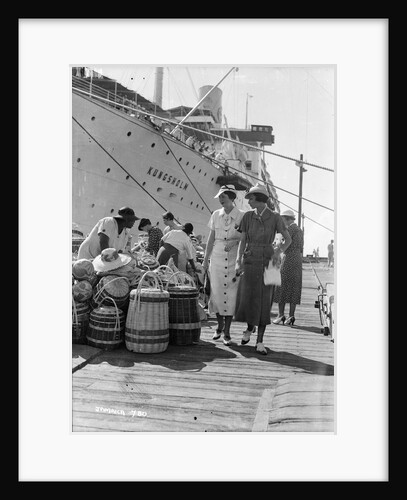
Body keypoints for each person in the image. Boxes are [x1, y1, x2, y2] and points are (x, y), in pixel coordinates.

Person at [234, 183, 292, 355]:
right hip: (250, 258)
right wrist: (238, 261)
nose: (248, 202)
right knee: (249, 297)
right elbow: (242, 241)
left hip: (268, 261)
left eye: (250, 198)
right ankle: (249, 328)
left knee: (264, 301)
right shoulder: (247, 216)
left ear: (258, 199)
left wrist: (277, 252)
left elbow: (287, 239)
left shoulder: (275, 217)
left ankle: (260, 341)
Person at [201, 185, 245, 345]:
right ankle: (219, 327)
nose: (220, 200)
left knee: (231, 295)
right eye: (219, 197)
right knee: (217, 293)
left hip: (234, 257)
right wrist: (205, 260)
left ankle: (227, 331)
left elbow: (245, 238)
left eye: (223, 197)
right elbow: (211, 239)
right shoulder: (215, 215)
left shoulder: (241, 216)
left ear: (231, 198)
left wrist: (234, 242)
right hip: (218, 256)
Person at [272, 209, 304, 326]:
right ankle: (291, 316)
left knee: (282, 286)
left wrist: (276, 250)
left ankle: (280, 315)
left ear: (286, 219)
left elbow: (283, 243)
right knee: (294, 287)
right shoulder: (299, 230)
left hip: (288, 258)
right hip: (297, 260)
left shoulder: (288, 229)